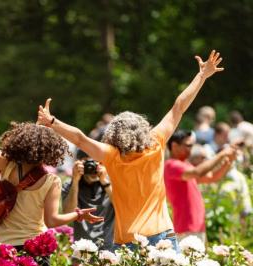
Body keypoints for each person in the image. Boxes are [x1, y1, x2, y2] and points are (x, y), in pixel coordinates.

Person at [37, 50, 224, 250]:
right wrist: (201, 75)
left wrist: (53, 122)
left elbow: (80, 139)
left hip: (128, 240)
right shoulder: (156, 143)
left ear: (113, 135)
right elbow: (178, 106)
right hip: (162, 234)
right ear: (143, 128)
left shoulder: (111, 155)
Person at [0, 96, 102, 266]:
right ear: (51, 150)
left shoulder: (7, 166)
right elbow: (52, 221)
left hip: (3, 247)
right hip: (34, 248)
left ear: (20, 143)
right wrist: (78, 215)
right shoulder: (51, 181)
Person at [164, 130, 236, 243]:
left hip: (195, 227)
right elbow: (198, 173)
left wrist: (228, 162)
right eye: (188, 145)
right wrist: (222, 154)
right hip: (186, 227)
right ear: (174, 145)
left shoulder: (185, 165)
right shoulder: (172, 165)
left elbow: (212, 177)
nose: (190, 149)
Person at [62, 149, 114, 249]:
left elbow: (122, 209)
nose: (92, 168)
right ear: (79, 163)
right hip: (82, 250)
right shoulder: (70, 185)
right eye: (88, 163)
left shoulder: (110, 183)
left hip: (109, 249)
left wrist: (105, 182)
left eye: (95, 163)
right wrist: (75, 181)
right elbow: (67, 213)